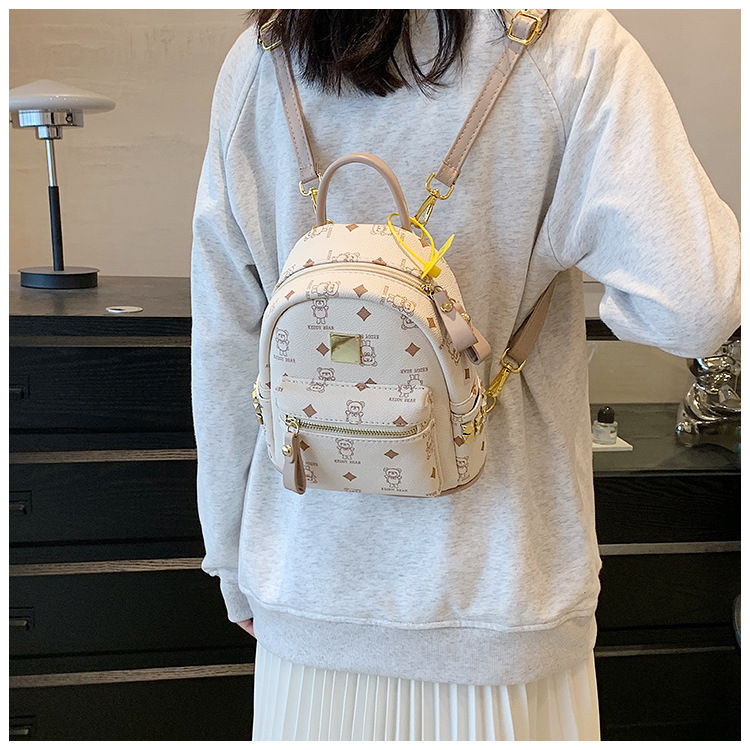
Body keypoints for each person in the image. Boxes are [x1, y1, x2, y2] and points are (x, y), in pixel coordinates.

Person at [190, 9, 740, 741]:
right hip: (503, 605)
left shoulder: (263, 57)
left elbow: (226, 342)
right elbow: (698, 307)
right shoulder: (568, 47)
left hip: (307, 595)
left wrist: (232, 565)